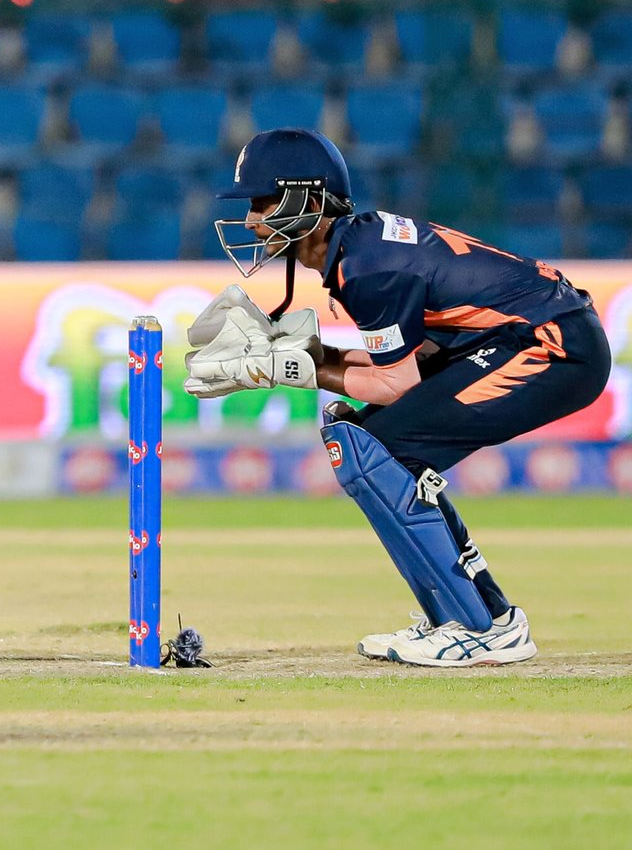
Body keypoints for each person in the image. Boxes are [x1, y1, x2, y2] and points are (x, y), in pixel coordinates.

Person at [184, 128, 610, 667]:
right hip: (533, 334)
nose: (250, 219)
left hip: (552, 345)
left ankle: (476, 627)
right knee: (369, 441)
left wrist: (298, 366)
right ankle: (487, 617)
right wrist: (313, 357)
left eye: (262, 201)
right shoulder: (360, 250)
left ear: (308, 201)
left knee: (383, 450)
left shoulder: (369, 266)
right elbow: (402, 366)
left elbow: (396, 384)